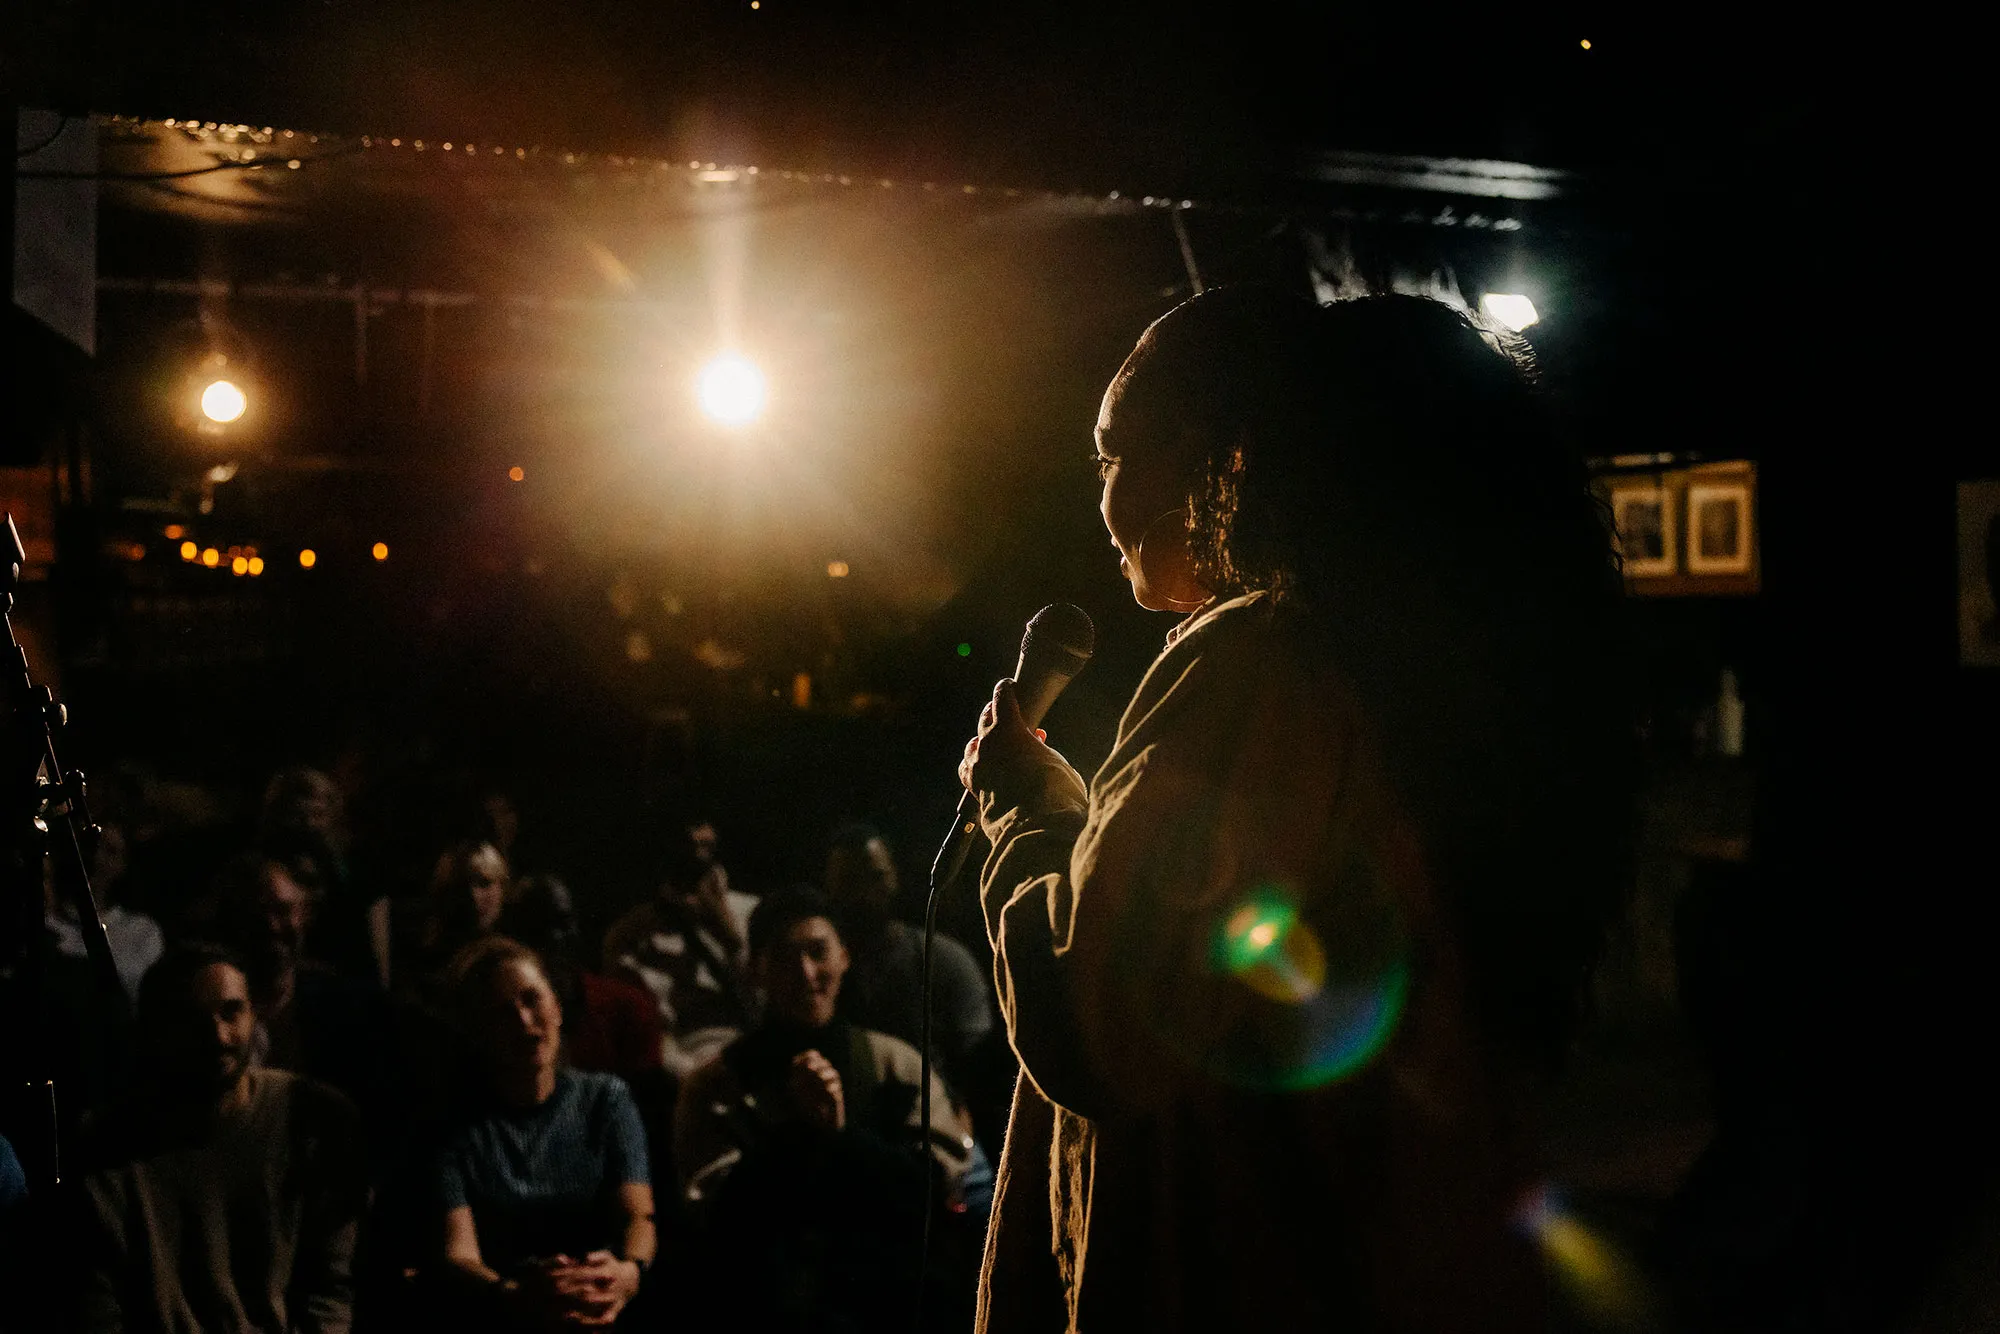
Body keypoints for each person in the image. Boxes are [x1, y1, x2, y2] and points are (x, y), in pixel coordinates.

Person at [958, 290, 1633, 1332]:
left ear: (1211, 463)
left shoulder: (1256, 658)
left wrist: (1025, 813)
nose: (1100, 502)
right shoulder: (1387, 672)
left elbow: (1101, 1025)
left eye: (1109, 459)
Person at [673, 887, 977, 1329]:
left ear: (844, 957)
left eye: (818, 952)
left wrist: (841, 1137)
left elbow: (932, 1191)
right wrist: (802, 1136)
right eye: (783, 958)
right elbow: (716, 1215)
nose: (805, 972)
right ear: (754, 970)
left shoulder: (897, 1064)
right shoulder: (716, 1086)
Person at [73, 944, 366, 1334]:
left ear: (253, 1013)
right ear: (158, 1031)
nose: (217, 1035)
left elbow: (331, 1291)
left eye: (231, 1011)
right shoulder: (109, 1145)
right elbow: (97, 1305)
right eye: (192, 1020)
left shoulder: (311, 1119)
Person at [430, 936, 655, 1331]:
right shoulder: (455, 1126)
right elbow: (459, 1254)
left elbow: (639, 1214)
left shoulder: (604, 1100)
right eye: (502, 1013)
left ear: (557, 1005)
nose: (523, 1022)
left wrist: (628, 1273)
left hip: (599, 1301)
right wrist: (515, 1294)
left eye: (532, 999)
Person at [824, 823, 995, 1092]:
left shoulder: (943, 959)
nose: (862, 893)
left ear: (895, 877)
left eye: (875, 876)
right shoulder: (817, 968)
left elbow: (978, 1059)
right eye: (849, 880)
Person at [602, 823, 753, 1078]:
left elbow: (765, 1006)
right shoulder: (635, 934)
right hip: (673, 1067)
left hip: (744, 1053)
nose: (694, 861)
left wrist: (728, 936)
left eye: (704, 849)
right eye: (684, 850)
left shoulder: (749, 914)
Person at [503, 874, 664, 1087]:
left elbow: (648, 1102)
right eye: (537, 928)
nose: (554, 938)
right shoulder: (500, 1018)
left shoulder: (627, 1007)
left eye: (563, 923)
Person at [262, 767, 389, 988]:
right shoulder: (263, 876)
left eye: (318, 815)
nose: (310, 825)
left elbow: (377, 964)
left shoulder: (356, 876)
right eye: (300, 816)